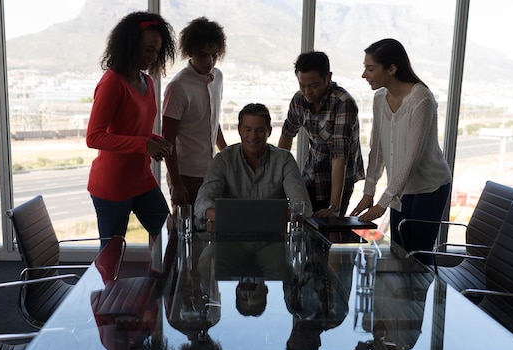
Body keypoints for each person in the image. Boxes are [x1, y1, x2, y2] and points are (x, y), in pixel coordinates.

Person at [350, 39, 452, 259]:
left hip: (429, 188)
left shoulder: (421, 99)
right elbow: (377, 149)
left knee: (418, 257)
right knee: (399, 252)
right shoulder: (379, 98)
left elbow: (411, 159)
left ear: (392, 69)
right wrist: (369, 192)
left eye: (370, 68)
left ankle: (418, 294)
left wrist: (382, 203)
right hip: (400, 190)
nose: (364, 75)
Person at [86, 11, 176, 247]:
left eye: (157, 51)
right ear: (129, 45)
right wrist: (144, 145)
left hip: (141, 178)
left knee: (169, 237)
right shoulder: (112, 83)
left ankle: (159, 283)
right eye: (148, 50)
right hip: (112, 184)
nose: (153, 56)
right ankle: (107, 286)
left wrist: (156, 140)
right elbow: (94, 137)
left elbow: (137, 131)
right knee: (112, 255)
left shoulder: (147, 82)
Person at [194, 103, 312, 225]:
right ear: (239, 130)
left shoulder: (284, 160)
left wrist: (252, 218)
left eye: (259, 130)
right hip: (230, 236)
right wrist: (236, 218)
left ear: (269, 131)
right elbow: (201, 203)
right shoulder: (223, 160)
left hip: (273, 238)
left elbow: (304, 207)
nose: (253, 136)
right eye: (248, 129)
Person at [278, 51, 365, 218]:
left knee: (327, 230)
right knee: (304, 225)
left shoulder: (343, 103)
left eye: (313, 86)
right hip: (311, 174)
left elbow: (339, 157)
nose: (307, 91)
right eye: (302, 85)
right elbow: (287, 135)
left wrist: (334, 207)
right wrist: (276, 175)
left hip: (338, 182)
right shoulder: (299, 100)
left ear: (328, 77)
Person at [162, 17, 228, 210]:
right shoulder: (178, 87)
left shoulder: (218, 77)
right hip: (185, 175)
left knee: (213, 228)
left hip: (213, 172)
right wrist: (176, 183)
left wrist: (228, 154)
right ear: (190, 51)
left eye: (215, 55)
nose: (210, 61)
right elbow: (168, 139)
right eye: (203, 55)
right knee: (185, 231)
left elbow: (212, 121)